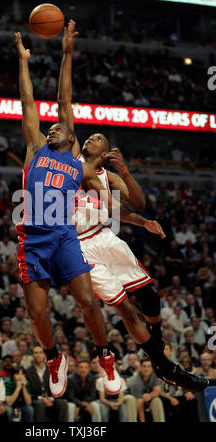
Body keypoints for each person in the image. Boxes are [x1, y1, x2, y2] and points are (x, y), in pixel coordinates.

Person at [56, 20, 209, 394]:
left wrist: (139, 212)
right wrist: (67, 54)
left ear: (105, 151)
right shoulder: (73, 162)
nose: (90, 136)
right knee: (125, 309)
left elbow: (133, 204)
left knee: (151, 296)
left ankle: (157, 345)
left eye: (98, 136)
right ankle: (167, 366)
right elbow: (64, 104)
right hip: (80, 246)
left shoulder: (108, 176)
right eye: (88, 135)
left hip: (107, 236)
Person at [14, 31, 167, 399]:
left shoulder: (78, 165)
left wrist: (67, 54)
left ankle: (105, 355)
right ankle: (54, 359)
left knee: (86, 301)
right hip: (32, 238)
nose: (52, 127)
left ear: (70, 137)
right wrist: (23, 61)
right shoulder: (35, 148)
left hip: (65, 237)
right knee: (36, 312)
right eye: (49, 127)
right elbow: (28, 100)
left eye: (59, 128)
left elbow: (64, 99)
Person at [25, 346, 68, 422]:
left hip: (50, 399)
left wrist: (51, 398)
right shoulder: (27, 372)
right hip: (35, 400)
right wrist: (40, 398)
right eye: (36, 352)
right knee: (40, 404)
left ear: (45, 355)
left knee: (62, 403)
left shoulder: (52, 369)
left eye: (41, 352)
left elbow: (57, 387)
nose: (38, 355)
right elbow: (27, 391)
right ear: (33, 355)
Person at [126, 358, 165, 422]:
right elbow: (140, 405)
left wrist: (150, 395)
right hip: (129, 398)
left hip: (143, 399)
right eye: (144, 366)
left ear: (152, 368)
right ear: (140, 367)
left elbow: (157, 390)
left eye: (149, 366)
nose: (146, 369)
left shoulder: (154, 375)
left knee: (156, 400)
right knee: (131, 399)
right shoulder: (135, 381)